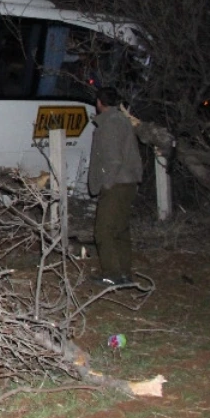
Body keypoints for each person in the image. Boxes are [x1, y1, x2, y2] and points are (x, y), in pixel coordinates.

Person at [88, 86, 143, 285]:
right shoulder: (122, 121)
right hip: (127, 182)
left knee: (103, 230)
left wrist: (107, 183)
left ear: (99, 103)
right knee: (120, 229)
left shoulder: (110, 124)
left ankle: (112, 274)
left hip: (117, 183)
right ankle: (124, 272)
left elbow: (113, 160)